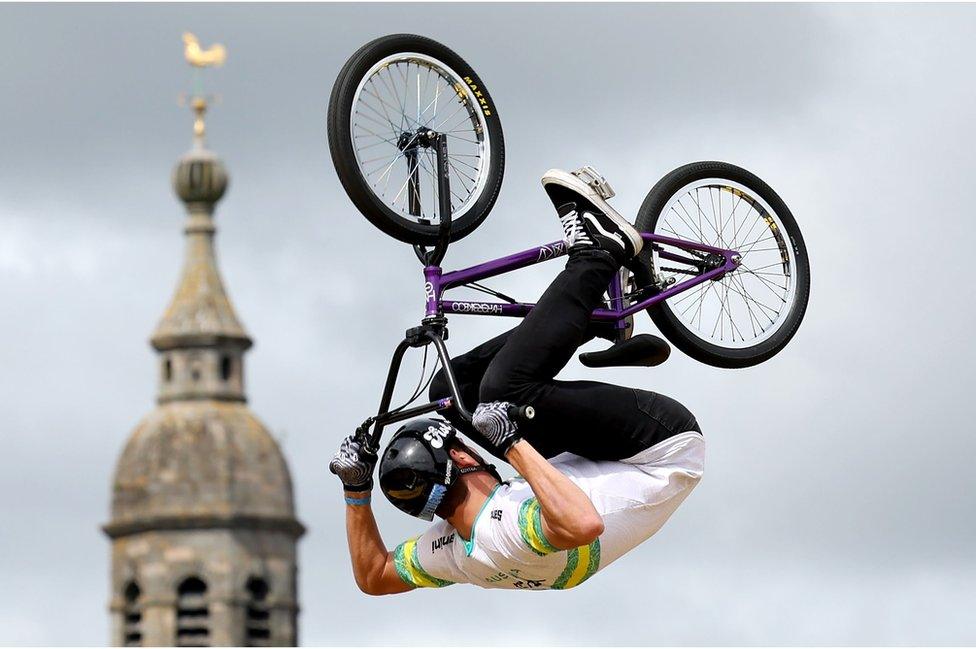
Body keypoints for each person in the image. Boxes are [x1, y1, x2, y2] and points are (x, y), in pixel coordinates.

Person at [330, 167, 705, 593]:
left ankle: (591, 313)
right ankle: (602, 252)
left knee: (447, 397)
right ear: (464, 459)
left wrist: (355, 490)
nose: (470, 444)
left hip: (589, 460)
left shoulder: (449, 551)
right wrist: (511, 442)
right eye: (462, 446)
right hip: (661, 451)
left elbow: (374, 577)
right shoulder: (508, 531)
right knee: (503, 394)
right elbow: (583, 524)